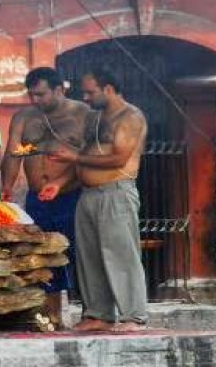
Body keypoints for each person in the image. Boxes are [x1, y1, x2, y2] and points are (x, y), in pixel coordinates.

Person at [48, 69, 149, 332]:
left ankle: (133, 316)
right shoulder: (94, 118)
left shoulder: (131, 117)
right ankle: (98, 314)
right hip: (88, 194)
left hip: (115, 192)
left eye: (90, 92)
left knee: (120, 255)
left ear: (108, 89)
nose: (85, 96)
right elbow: (83, 154)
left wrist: (73, 158)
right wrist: (59, 183)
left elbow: (118, 158)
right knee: (89, 256)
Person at [1, 67, 94, 329]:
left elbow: (89, 157)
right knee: (42, 256)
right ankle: (51, 318)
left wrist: (61, 181)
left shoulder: (82, 115)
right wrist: (7, 186)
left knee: (78, 255)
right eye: (31, 95)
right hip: (37, 199)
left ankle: (91, 315)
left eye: (41, 94)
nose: (36, 100)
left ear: (59, 90)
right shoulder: (25, 117)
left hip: (72, 195)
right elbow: (15, 153)